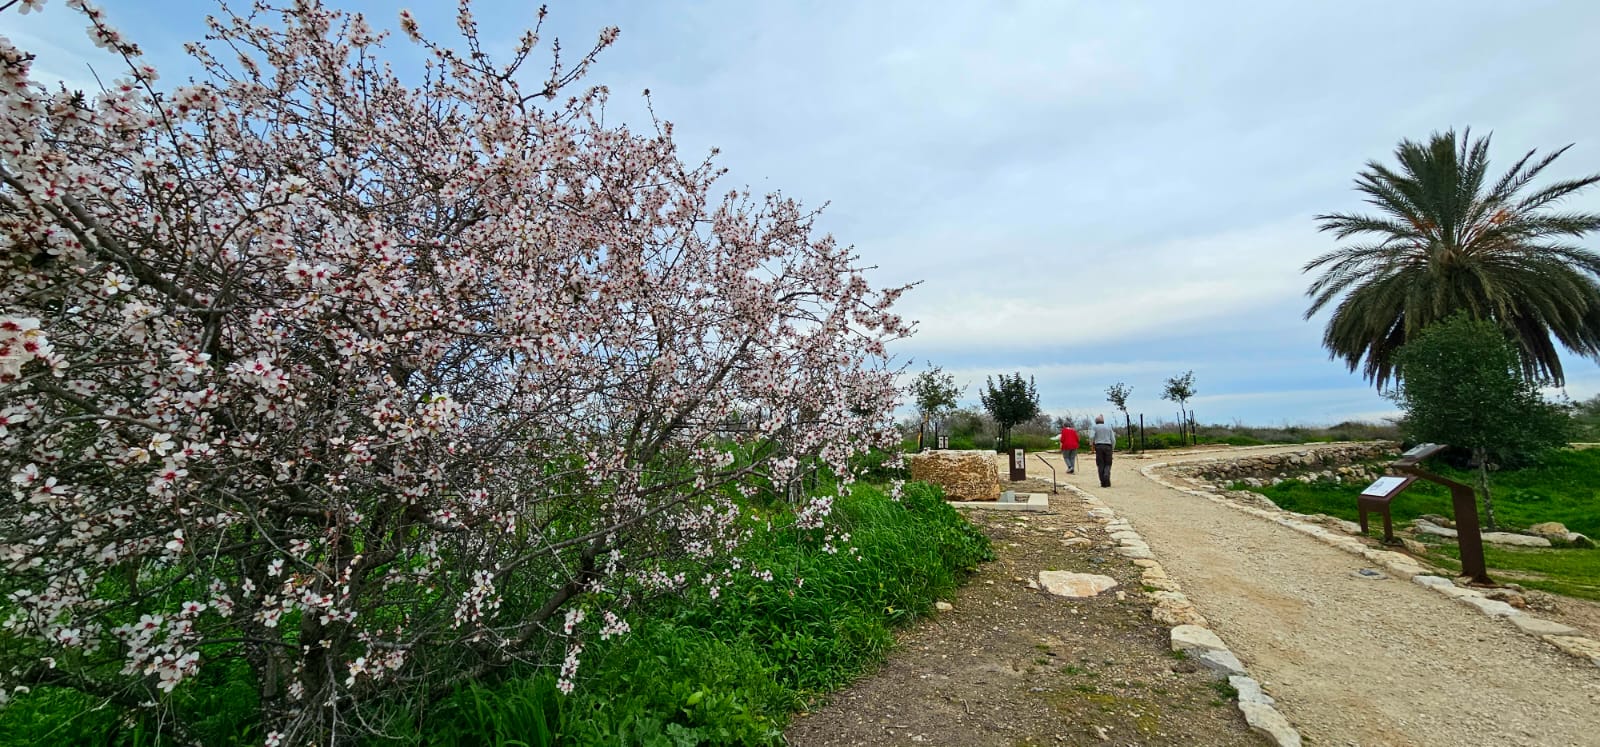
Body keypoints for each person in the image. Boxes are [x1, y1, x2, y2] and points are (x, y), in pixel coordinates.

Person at [1091, 414, 1115, 488]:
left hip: (1099, 447)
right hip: (1108, 446)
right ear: (1103, 421)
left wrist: (1092, 445)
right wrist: (1112, 448)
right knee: (1108, 463)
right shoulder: (1109, 427)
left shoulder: (1094, 427)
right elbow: (1113, 439)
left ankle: (1103, 482)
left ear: (1096, 422)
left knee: (1100, 464)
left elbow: (1091, 437)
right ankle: (1107, 475)